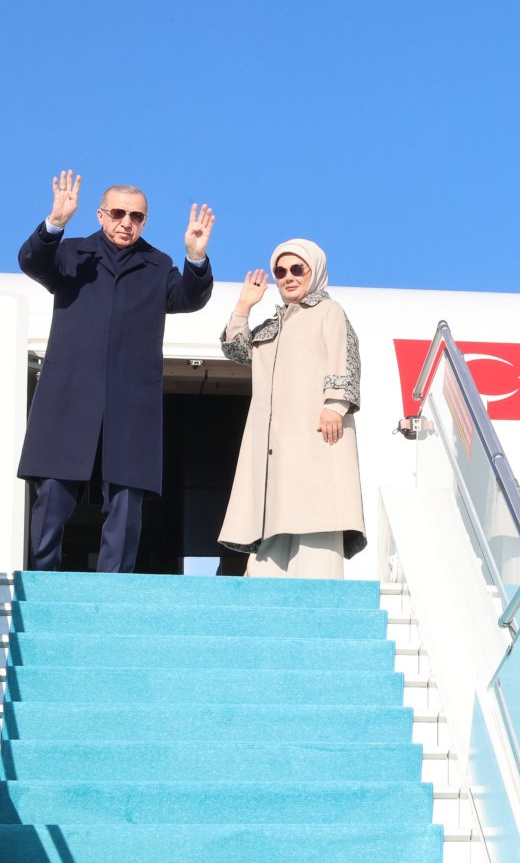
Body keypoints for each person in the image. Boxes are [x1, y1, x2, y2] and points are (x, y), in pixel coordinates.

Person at [17, 170, 215, 572]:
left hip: (131, 399)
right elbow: (32, 261)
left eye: (137, 216)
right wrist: (55, 222)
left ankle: (114, 587)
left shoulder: (157, 264)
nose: (127, 222)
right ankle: (41, 580)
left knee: (127, 496)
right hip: (69, 392)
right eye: (119, 213)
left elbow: (189, 298)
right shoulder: (71, 253)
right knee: (53, 490)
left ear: (145, 221)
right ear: (101, 215)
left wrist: (194, 257)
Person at [218, 238, 365, 577]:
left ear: (315, 271)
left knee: (317, 518)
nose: (288, 277)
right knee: (274, 521)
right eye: (280, 271)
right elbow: (237, 351)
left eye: (297, 269)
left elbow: (345, 356)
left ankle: (320, 616)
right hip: (277, 444)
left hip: (316, 432)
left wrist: (335, 405)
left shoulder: (329, 310)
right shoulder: (275, 324)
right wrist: (244, 306)